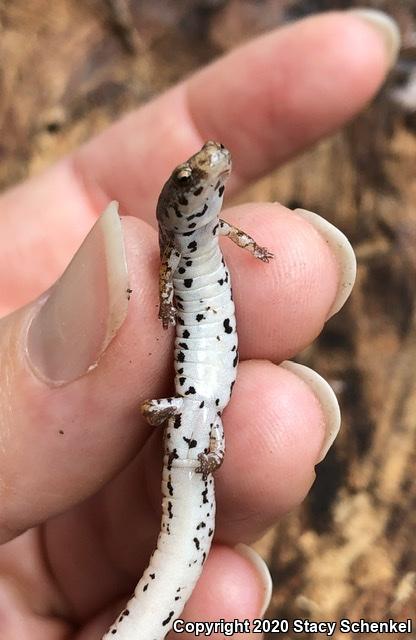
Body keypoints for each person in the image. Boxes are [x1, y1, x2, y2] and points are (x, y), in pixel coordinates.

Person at [0, 8, 399, 639]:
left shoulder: (214, 231)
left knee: (233, 490)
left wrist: (253, 251)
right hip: (189, 415)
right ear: (177, 206)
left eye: (211, 171)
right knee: (225, 489)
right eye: (193, 176)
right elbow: (163, 288)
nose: (208, 168)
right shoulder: (170, 251)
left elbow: (239, 244)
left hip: (197, 417)